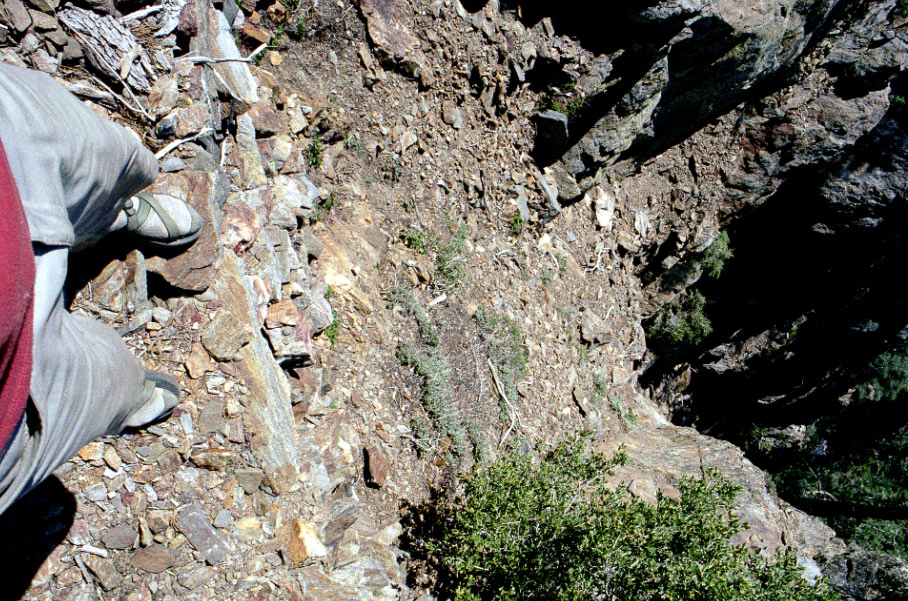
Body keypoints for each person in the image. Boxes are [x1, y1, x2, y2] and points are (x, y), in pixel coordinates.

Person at [0, 63, 204, 513]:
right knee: (102, 381)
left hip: (8, 144)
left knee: (109, 155)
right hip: (12, 399)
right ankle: (124, 396)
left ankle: (107, 212)